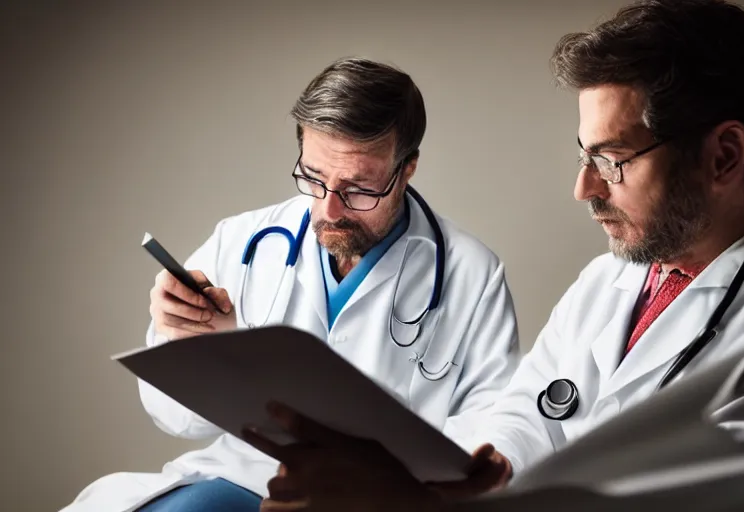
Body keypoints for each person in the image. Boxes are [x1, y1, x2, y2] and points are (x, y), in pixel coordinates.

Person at [239, 1, 744, 511]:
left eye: (611, 161)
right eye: (583, 156)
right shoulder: (607, 282)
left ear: (723, 158)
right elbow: (528, 409)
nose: (583, 188)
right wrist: (474, 473)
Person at [60, 57, 521, 512]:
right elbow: (174, 419)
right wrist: (185, 340)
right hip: (242, 477)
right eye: (314, 178)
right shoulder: (242, 240)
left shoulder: (472, 275)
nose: (329, 211)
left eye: (359, 188)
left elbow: (485, 438)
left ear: (407, 169)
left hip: (378, 500)